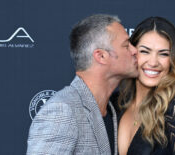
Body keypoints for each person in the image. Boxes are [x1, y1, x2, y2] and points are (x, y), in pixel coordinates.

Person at [27, 14, 138, 155]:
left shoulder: (112, 110)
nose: (135, 51)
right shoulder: (62, 111)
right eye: (126, 45)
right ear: (101, 56)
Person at [118, 17, 175, 155]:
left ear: (173, 61)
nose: (153, 62)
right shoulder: (116, 104)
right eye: (145, 51)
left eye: (163, 54)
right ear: (132, 53)